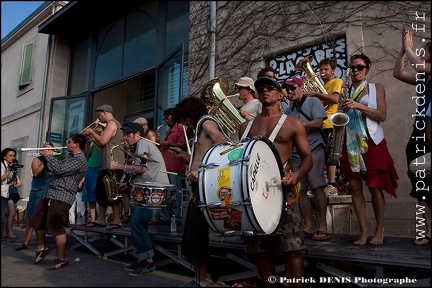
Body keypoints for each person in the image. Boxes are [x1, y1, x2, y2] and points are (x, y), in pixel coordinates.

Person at [238, 77, 312, 287]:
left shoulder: (293, 124)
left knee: (292, 248)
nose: (265, 90)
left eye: (271, 88)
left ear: (281, 95)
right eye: (261, 88)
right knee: (260, 250)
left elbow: (307, 157)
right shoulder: (244, 127)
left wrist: (297, 175)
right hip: (254, 193)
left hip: (283, 190)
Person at [339, 53, 399, 246]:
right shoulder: (345, 91)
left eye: (360, 67)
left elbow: (382, 115)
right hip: (350, 142)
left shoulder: (376, 88)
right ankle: (364, 232)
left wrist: (358, 106)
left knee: (374, 186)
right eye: (353, 67)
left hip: (372, 141)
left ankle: (379, 230)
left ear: (367, 68)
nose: (356, 70)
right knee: (355, 186)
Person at [170, 97, 229, 287]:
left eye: (184, 119)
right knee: (192, 236)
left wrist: (200, 171)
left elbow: (224, 145)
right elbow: (201, 156)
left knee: (197, 235)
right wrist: (186, 157)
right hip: (198, 187)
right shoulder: (197, 130)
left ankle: (201, 282)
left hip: (205, 187)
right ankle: (198, 279)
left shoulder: (207, 123)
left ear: (190, 115)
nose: (185, 123)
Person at [110, 122, 169, 276]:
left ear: (137, 134)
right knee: (136, 223)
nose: (125, 137)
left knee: (137, 223)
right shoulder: (140, 146)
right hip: (148, 190)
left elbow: (142, 170)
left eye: (128, 134)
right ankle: (143, 259)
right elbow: (143, 171)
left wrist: (119, 167)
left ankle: (149, 262)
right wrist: (128, 184)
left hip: (154, 191)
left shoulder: (143, 143)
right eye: (124, 134)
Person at [393, 27, 431, 245]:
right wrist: (402, 50)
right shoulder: (422, 79)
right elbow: (398, 73)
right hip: (420, 131)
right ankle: (428, 231)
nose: (421, 53)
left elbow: (417, 64)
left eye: (425, 51)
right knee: (420, 181)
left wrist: (409, 47)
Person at [28, 133, 87, 270]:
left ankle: (61, 258)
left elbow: (59, 170)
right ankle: (41, 248)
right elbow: (53, 170)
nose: (67, 144)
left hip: (62, 196)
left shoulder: (79, 160)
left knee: (57, 227)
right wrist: (46, 158)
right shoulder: (70, 157)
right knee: (37, 221)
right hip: (51, 193)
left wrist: (49, 155)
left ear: (76, 145)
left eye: (69, 142)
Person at [283, 76, 330, 241]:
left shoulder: (313, 101)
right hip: (297, 153)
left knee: (317, 186)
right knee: (301, 189)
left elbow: (319, 123)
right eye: (288, 89)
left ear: (301, 88)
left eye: (293, 87)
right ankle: (308, 225)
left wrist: (298, 126)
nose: (290, 91)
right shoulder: (288, 111)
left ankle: (323, 225)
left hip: (315, 148)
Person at [305, 58, 343, 196]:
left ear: (333, 70)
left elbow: (334, 99)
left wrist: (315, 93)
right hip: (318, 123)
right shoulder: (319, 85)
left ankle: (332, 185)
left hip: (329, 123)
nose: (322, 72)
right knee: (317, 156)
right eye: (320, 70)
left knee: (330, 156)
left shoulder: (336, 82)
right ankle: (317, 185)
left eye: (326, 69)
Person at [83, 104, 125, 230]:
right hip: (105, 164)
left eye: (99, 114)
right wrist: (91, 137)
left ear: (104, 113)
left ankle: (117, 219)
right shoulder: (110, 124)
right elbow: (102, 145)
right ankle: (101, 218)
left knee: (113, 192)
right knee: (101, 192)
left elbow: (102, 141)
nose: (98, 117)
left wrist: (91, 132)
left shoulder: (112, 124)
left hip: (113, 164)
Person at [15, 143, 55, 250]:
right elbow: (36, 173)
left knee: (44, 218)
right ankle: (26, 242)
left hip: (49, 191)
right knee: (32, 217)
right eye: (44, 147)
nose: (46, 148)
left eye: (48, 147)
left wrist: (50, 159)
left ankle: (42, 243)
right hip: (37, 192)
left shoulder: (54, 161)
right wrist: (46, 160)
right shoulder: (37, 160)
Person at [157, 108, 188, 223]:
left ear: (173, 116)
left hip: (175, 166)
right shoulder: (168, 131)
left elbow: (183, 146)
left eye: (167, 118)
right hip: (167, 166)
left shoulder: (180, 128)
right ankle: (165, 217)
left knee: (176, 193)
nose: (166, 121)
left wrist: (167, 143)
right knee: (166, 192)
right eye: (165, 118)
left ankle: (177, 217)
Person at [82, 122, 105, 226]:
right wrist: (87, 142)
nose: (97, 128)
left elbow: (102, 149)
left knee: (97, 193)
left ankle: (100, 217)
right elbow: (88, 153)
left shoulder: (103, 139)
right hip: (90, 166)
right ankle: (92, 218)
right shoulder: (94, 139)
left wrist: (94, 138)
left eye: (99, 127)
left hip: (98, 167)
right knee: (89, 193)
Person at [1, 149, 23, 240]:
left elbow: (18, 183)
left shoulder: (9, 168)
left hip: (5, 193)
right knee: (2, 216)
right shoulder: (2, 166)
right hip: (2, 193)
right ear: (4, 156)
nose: (12, 157)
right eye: (10, 155)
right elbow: (2, 179)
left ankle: (4, 235)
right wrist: (9, 171)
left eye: (13, 156)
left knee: (2, 217)